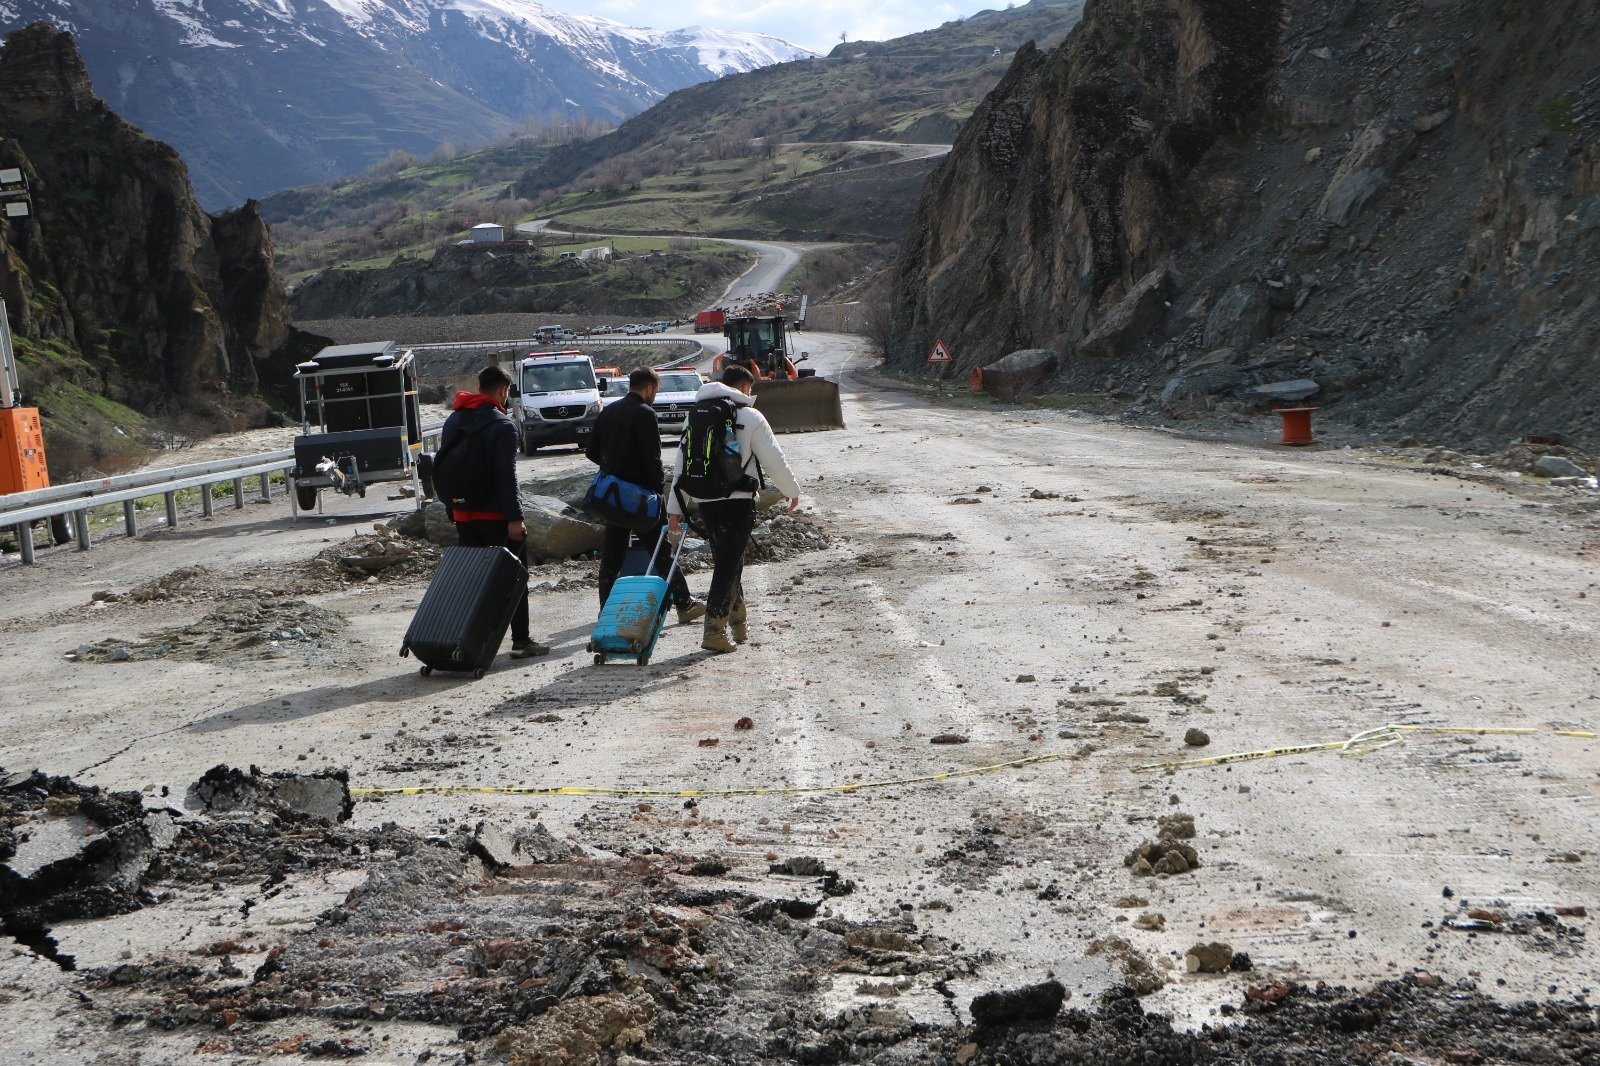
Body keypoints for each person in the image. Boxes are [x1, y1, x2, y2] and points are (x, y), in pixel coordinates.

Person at [666, 365, 800, 654]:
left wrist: (674, 508)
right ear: (743, 388)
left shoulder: (696, 416)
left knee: (728, 558)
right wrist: (792, 491)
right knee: (727, 563)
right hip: (738, 500)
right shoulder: (751, 416)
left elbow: (681, 465)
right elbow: (774, 461)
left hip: (705, 501)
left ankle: (738, 620)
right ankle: (714, 629)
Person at [439, 365, 548, 658]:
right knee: (514, 579)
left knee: (473, 582)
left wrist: (452, 507)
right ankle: (521, 641)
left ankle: (467, 643)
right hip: (497, 518)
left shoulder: (454, 420)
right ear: (503, 390)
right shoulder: (503, 426)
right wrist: (515, 518)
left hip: (463, 515)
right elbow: (505, 477)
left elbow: (447, 467)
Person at [586, 367, 704, 624]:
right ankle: (684, 604)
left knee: (612, 555)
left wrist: (613, 469)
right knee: (661, 551)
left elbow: (591, 451)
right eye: (656, 391)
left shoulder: (609, 411)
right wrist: (658, 488)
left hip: (612, 496)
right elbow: (653, 459)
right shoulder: (645, 414)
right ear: (649, 387)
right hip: (640, 498)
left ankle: (606, 610)